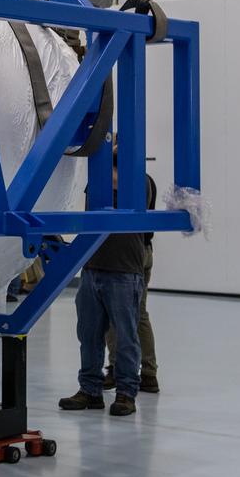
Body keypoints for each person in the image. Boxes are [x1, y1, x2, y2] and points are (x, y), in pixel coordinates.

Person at [58, 161, 154, 417]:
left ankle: (126, 393)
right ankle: (90, 389)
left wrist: (107, 159)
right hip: (92, 267)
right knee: (88, 335)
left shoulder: (140, 180)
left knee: (126, 336)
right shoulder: (96, 181)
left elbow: (120, 187)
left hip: (124, 269)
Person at [104, 184, 159, 393]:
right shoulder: (146, 180)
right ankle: (148, 373)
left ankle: (117, 369)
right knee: (139, 313)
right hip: (143, 251)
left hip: (128, 254)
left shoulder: (128, 183)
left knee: (115, 313)